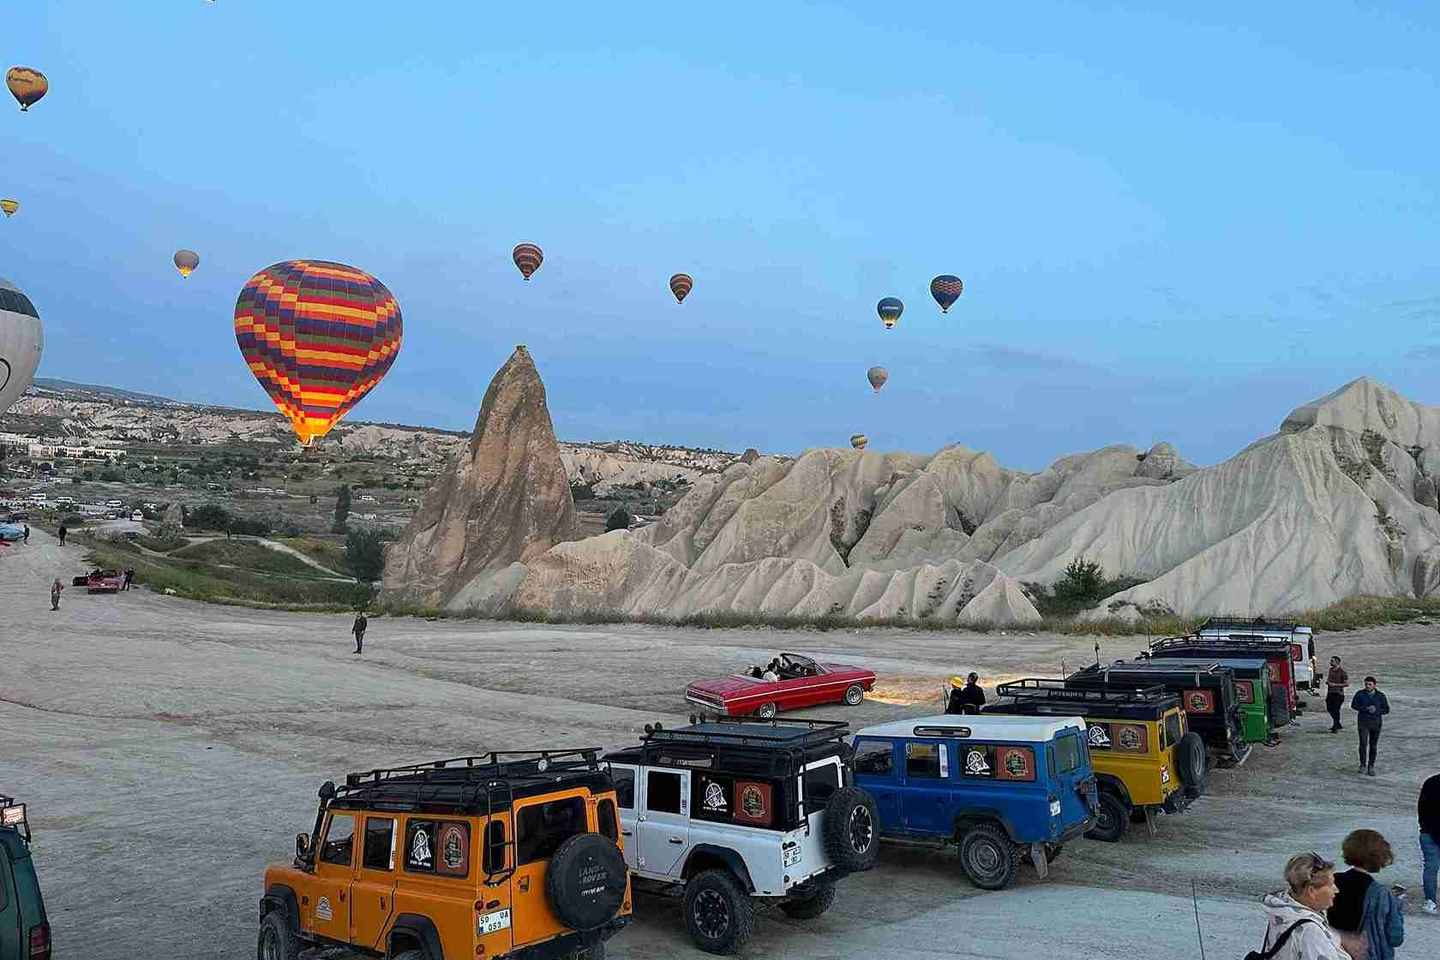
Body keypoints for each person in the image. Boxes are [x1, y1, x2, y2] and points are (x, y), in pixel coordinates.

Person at [1328, 829, 1405, 960]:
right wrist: (1396, 906)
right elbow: (1395, 937)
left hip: (1332, 949)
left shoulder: (1331, 881)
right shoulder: (1382, 894)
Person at [1259, 852, 1351, 960]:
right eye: (1331, 885)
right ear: (1311, 891)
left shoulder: (1282, 913)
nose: (1336, 890)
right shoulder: (1310, 931)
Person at [1351, 677, 1390, 776]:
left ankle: (1371, 766)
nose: (1367, 686)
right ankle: (1362, 764)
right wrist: (1365, 709)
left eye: (1369, 684)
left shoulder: (1380, 696)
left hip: (1376, 723)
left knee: (1373, 745)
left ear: (1374, 685)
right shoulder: (1360, 694)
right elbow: (1354, 705)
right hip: (1363, 722)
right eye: (1366, 684)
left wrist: (1376, 710)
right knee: (1363, 744)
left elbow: (1386, 709)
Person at [1420, 771, 1440, 915]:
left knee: (1430, 868)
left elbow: (1421, 808)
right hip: (1430, 832)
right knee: (1431, 868)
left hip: (1428, 832)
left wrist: (1424, 826)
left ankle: (1430, 901)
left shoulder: (1430, 782)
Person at [1326, 656, 1350, 733]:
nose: (1330, 662)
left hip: (1338, 694)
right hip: (1330, 693)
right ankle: (1337, 723)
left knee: (1336, 710)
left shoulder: (1342, 672)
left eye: (1332, 661)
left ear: (1337, 662)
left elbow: (1346, 684)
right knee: (1329, 708)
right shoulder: (1330, 670)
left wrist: (1335, 685)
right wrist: (1328, 683)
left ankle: (1335, 726)